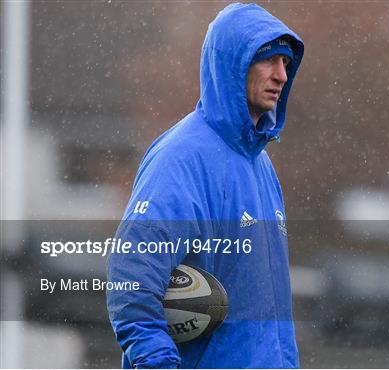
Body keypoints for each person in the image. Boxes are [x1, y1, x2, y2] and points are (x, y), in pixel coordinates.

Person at [106, 3, 304, 369]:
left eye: (286, 63)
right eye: (268, 60)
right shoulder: (182, 158)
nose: (281, 75)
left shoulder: (261, 165)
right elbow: (131, 278)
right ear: (233, 65)